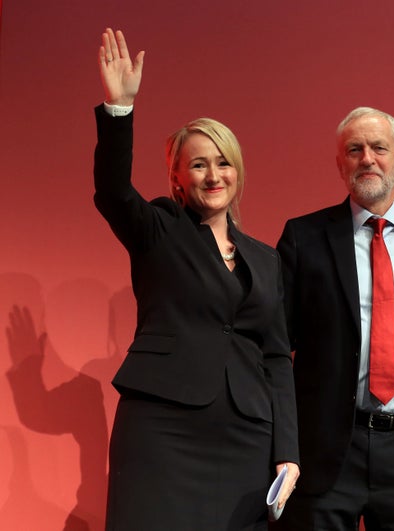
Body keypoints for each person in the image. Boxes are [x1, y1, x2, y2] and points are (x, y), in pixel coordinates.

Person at [93, 28, 299, 531]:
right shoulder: (159, 229)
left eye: (223, 163)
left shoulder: (265, 259)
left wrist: (288, 452)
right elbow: (114, 193)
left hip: (245, 435)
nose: (213, 175)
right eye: (199, 164)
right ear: (177, 177)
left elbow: (276, 358)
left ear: (238, 173)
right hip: (163, 429)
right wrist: (119, 109)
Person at [274, 107, 394, 530]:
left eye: (379, 148)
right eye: (354, 149)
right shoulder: (303, 237)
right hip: (325, 449)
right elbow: (274, 348)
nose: (367, 158)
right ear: (340, 163)